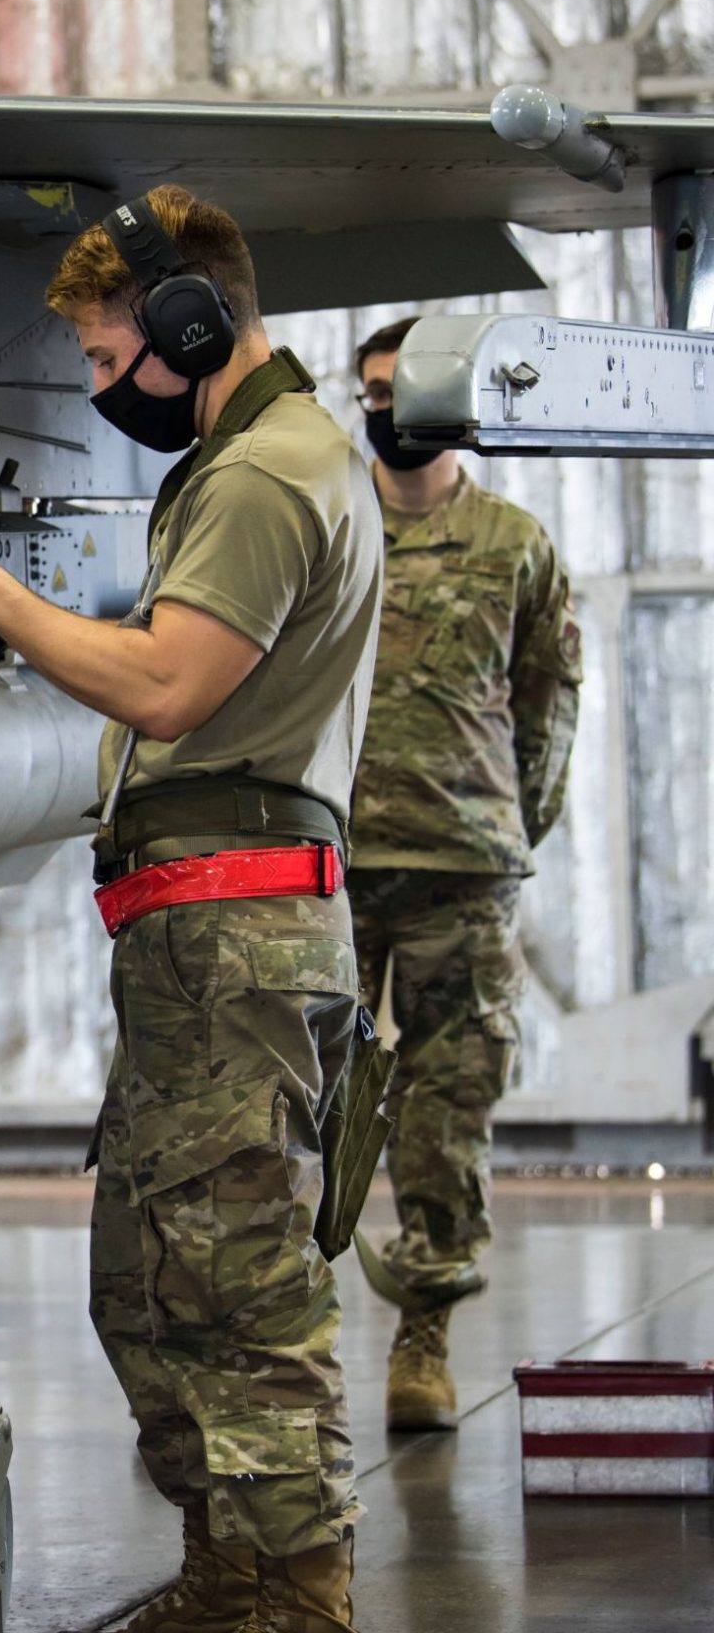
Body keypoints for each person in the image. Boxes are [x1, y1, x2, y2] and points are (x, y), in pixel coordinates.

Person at [0, 186, 381, 1633]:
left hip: (237, 936)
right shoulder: (250, 463)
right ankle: (235, 1571)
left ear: (191, 323)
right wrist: (1, 615)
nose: (101, 392)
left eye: (109, 361)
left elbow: (168, 686)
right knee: (152, 1287)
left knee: (238, 1291)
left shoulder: (269, 474)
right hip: (197, 934)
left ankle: (295, 1592)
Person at [345, 315, 580, 1433]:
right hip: (325, 859)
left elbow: (548, 702)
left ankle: (423, 1334)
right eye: (369, 391)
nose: (383, 408)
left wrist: (507, 824)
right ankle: (267, 1348)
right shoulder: (327, 530)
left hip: (460, 864)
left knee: (449, 1107)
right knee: (286, 1101)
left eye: (400, 388)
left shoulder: (514, 542)